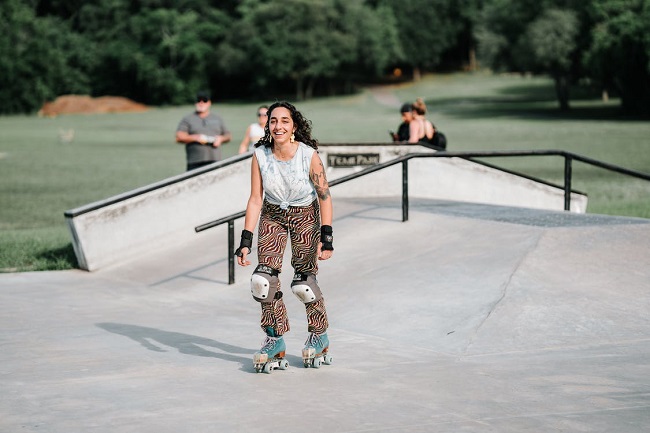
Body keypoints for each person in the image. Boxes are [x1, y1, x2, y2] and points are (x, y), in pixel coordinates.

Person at [234, 101, 334, 370]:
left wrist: (327, 237)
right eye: (273, 121)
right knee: (262, 280)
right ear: (268, 126)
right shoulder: (260, 155)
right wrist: (245, 241)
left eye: (284, 121)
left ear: (294, 127)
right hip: (272, 214)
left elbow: (324, 196)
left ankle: (319, 334)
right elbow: (255, 199)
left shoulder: (308, 155)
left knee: (303, 283)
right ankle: (274, 339)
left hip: (305, 215)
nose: (278, 126)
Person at [175, 90, 232, 171]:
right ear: (195, 103)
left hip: (215, 160)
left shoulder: (217, 118)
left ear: (209, 103)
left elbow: (228, 135)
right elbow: (179, 137)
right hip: (195, 162)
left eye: (204, 100)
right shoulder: (188, 119)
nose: (201, 103)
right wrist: (196, 138)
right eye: (199, 100)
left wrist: (221, 139)